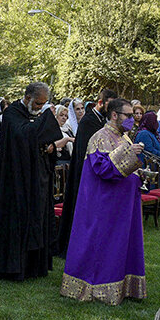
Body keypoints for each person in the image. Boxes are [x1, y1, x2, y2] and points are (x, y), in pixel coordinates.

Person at [61, 99, 147, 304]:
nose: (132, 119)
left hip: (124, 203)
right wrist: (129, 154)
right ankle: (99, 288)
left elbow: (125, 166)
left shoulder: (124, 137)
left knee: (124, 245)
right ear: (115, 115)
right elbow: (102, 168)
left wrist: (140, 172)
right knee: (105, 246)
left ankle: (124, 287)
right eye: (128, 115)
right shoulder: (99, 138)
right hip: (104, 204)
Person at [0, 83, 64, 280]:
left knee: (37, 217)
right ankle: (12, 267)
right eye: (37, 103)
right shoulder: (12, 115)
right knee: (17, 220)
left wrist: (50, 146)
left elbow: (38, 140)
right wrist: (42, 125)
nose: (38, 108)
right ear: (27, 97)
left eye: (42, 104)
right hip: (15, 180)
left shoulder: (31, 117)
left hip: (36, 180)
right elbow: (23, 137)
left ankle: (34, 266)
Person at [57, 88, 117, 255]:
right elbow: (87, 152)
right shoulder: (89, 121)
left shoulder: (101, 120)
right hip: (85, 174)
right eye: (109, 105)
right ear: (100, 103)